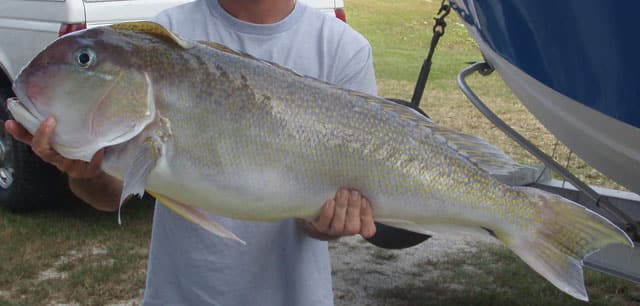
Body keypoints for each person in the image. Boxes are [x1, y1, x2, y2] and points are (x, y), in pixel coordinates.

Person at [5, 0, 378, 304]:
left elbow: (327, 215)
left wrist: (327, 223)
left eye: (85, 60)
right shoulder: (167, 34)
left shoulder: (343, 48)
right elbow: (107, 195)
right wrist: (81, 172)